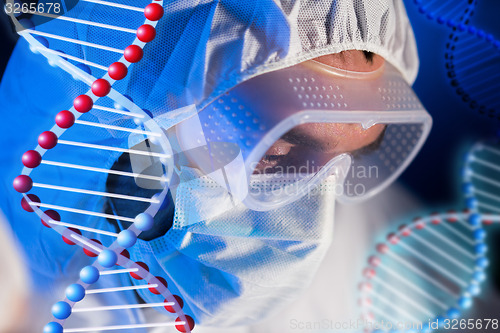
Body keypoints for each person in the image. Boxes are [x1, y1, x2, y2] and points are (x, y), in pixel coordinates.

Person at [0, 0, 430, 331]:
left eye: (345, 164)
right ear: (119, 112)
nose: (312, 229)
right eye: (275, 152)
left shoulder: (388, 265)